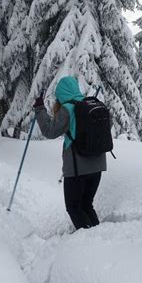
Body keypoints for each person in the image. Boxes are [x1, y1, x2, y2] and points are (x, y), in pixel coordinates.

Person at [34, 76, 106, 231]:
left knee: (74, 207)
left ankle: (89, 241)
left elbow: (50, 131)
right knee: (86, 205)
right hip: (98, 165)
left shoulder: (67, 108)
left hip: (77, 167)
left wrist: (40, 110)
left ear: (61, 93)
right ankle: (99, 237)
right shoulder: (91, 104)